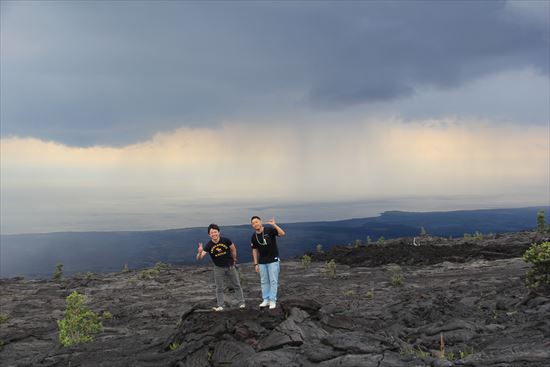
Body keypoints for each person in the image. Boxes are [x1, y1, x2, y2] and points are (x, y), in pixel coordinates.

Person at [197, 223, 245, 311]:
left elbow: (233, 248)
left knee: (237, 285)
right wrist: (200, 252)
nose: (214, 234)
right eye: (212, 233)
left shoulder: (226, 240)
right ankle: (220, 306)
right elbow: (199, 258)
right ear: (209, 234)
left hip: (230, 266)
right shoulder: (209, 245)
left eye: (215, 232)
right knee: (219, 287)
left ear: (219, 232)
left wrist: (234, 259)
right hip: (218, 268)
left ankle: (241, 303)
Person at [250, 216, 285, 309]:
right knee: (264, 281)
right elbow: (254, 250)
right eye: (253, 223)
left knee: (273, 281)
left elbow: (282, 234)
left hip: (273, 260)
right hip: (262, 262)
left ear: (260, 222)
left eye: (256, 222)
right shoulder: (254, 236)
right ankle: (266, 299)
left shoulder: (269, 230)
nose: (255, 224)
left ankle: (272, 300)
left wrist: (274, 225)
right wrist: (256, 264)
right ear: (252, 225)